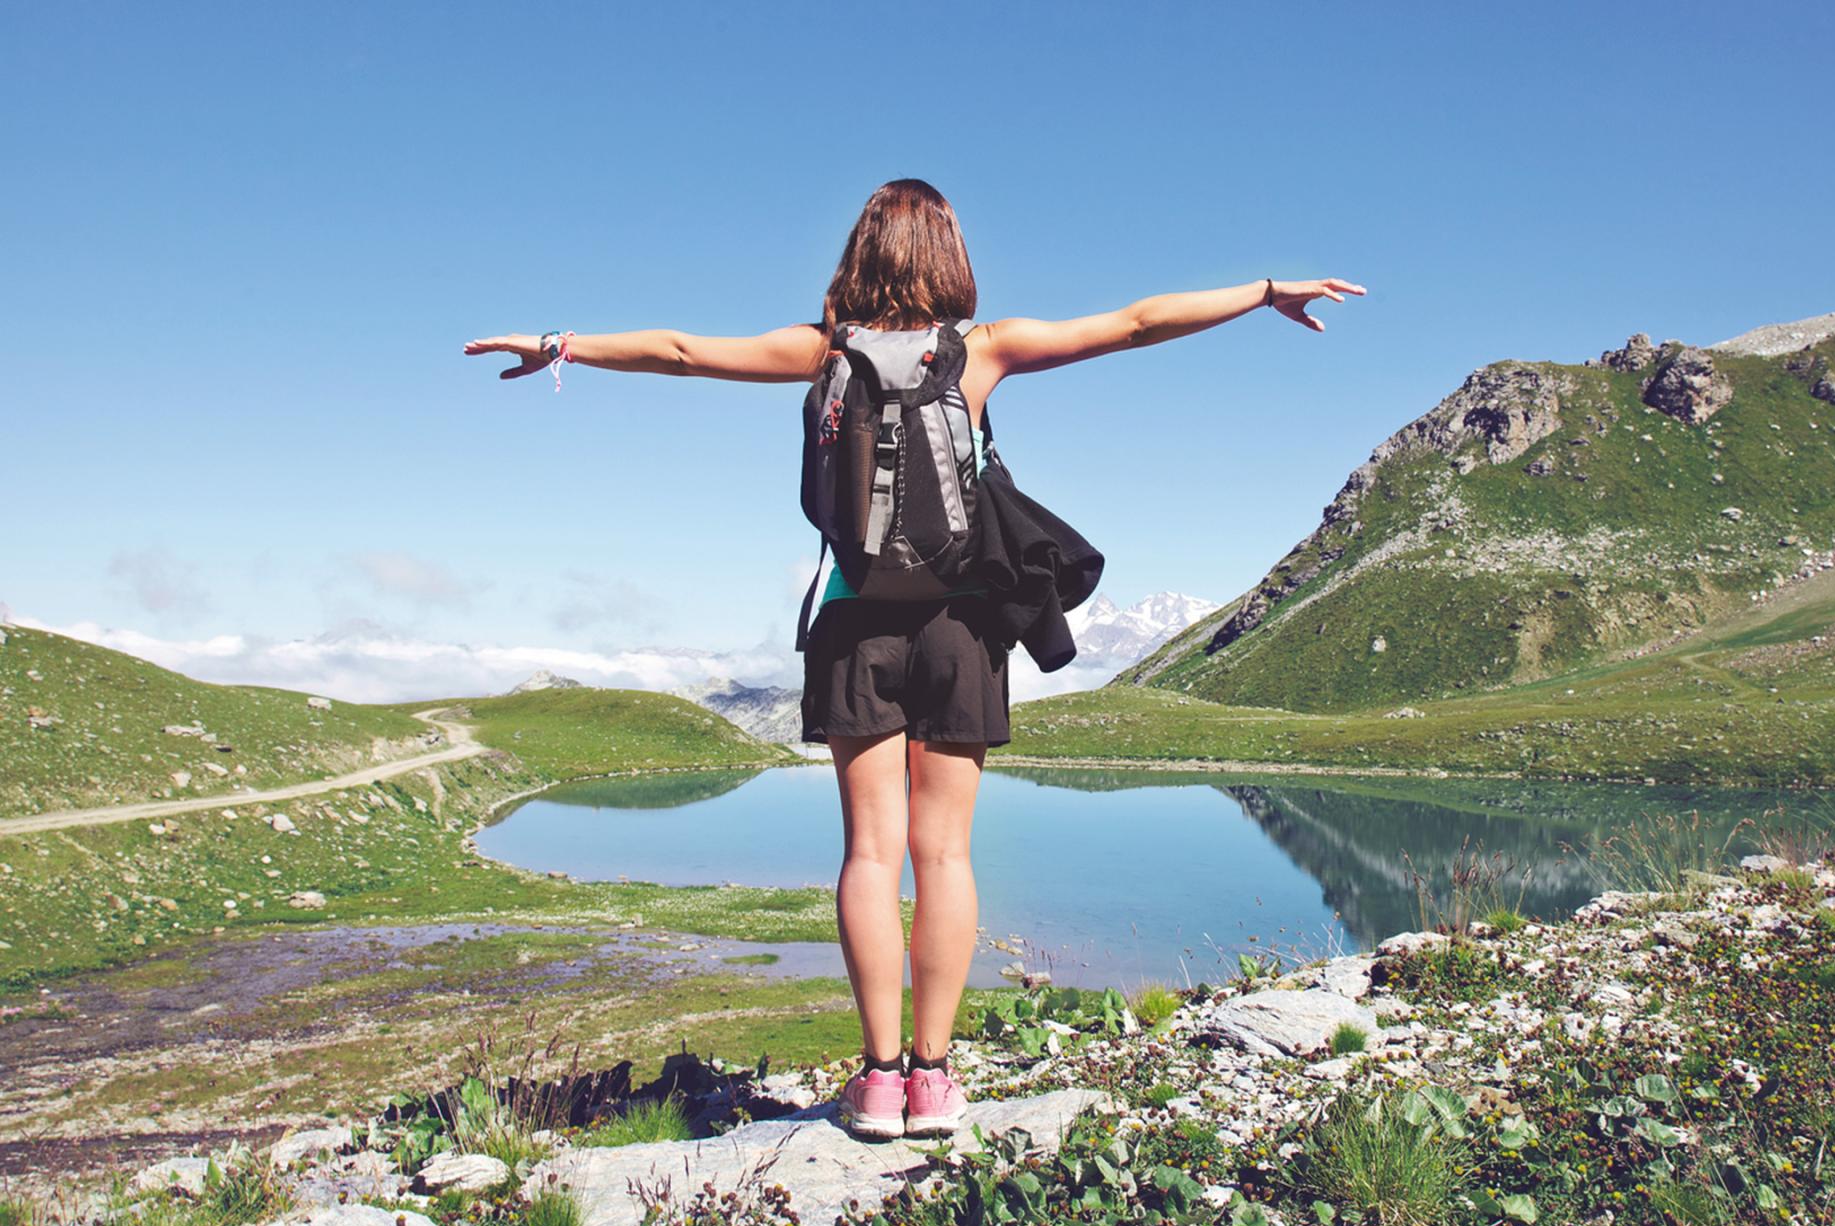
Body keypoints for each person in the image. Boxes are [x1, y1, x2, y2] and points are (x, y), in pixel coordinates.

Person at [465, 178, 1364, 1140]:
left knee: (869, 853)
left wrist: (558, 346)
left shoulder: (821, 355)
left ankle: (878, 1080)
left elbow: (681, 353)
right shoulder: (981, 353)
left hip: (855, 628)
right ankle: (936, 1081)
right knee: (945, 855)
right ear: (947, 254)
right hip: (961, 629)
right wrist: (1264, 291)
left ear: (861, 254)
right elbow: (1139, 323)